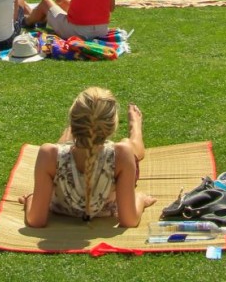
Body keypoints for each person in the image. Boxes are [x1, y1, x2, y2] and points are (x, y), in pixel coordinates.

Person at [21, 87, 155, 228]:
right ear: (112, 126)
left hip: (68, 154)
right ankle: (135, 126)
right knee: (129, 144)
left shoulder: (48, 154)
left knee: (61, 146)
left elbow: (35, 220)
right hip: (116, 160)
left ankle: (74, 130)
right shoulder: (122, 154)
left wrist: (31, 199)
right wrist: (139, 199)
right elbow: (129, 220)